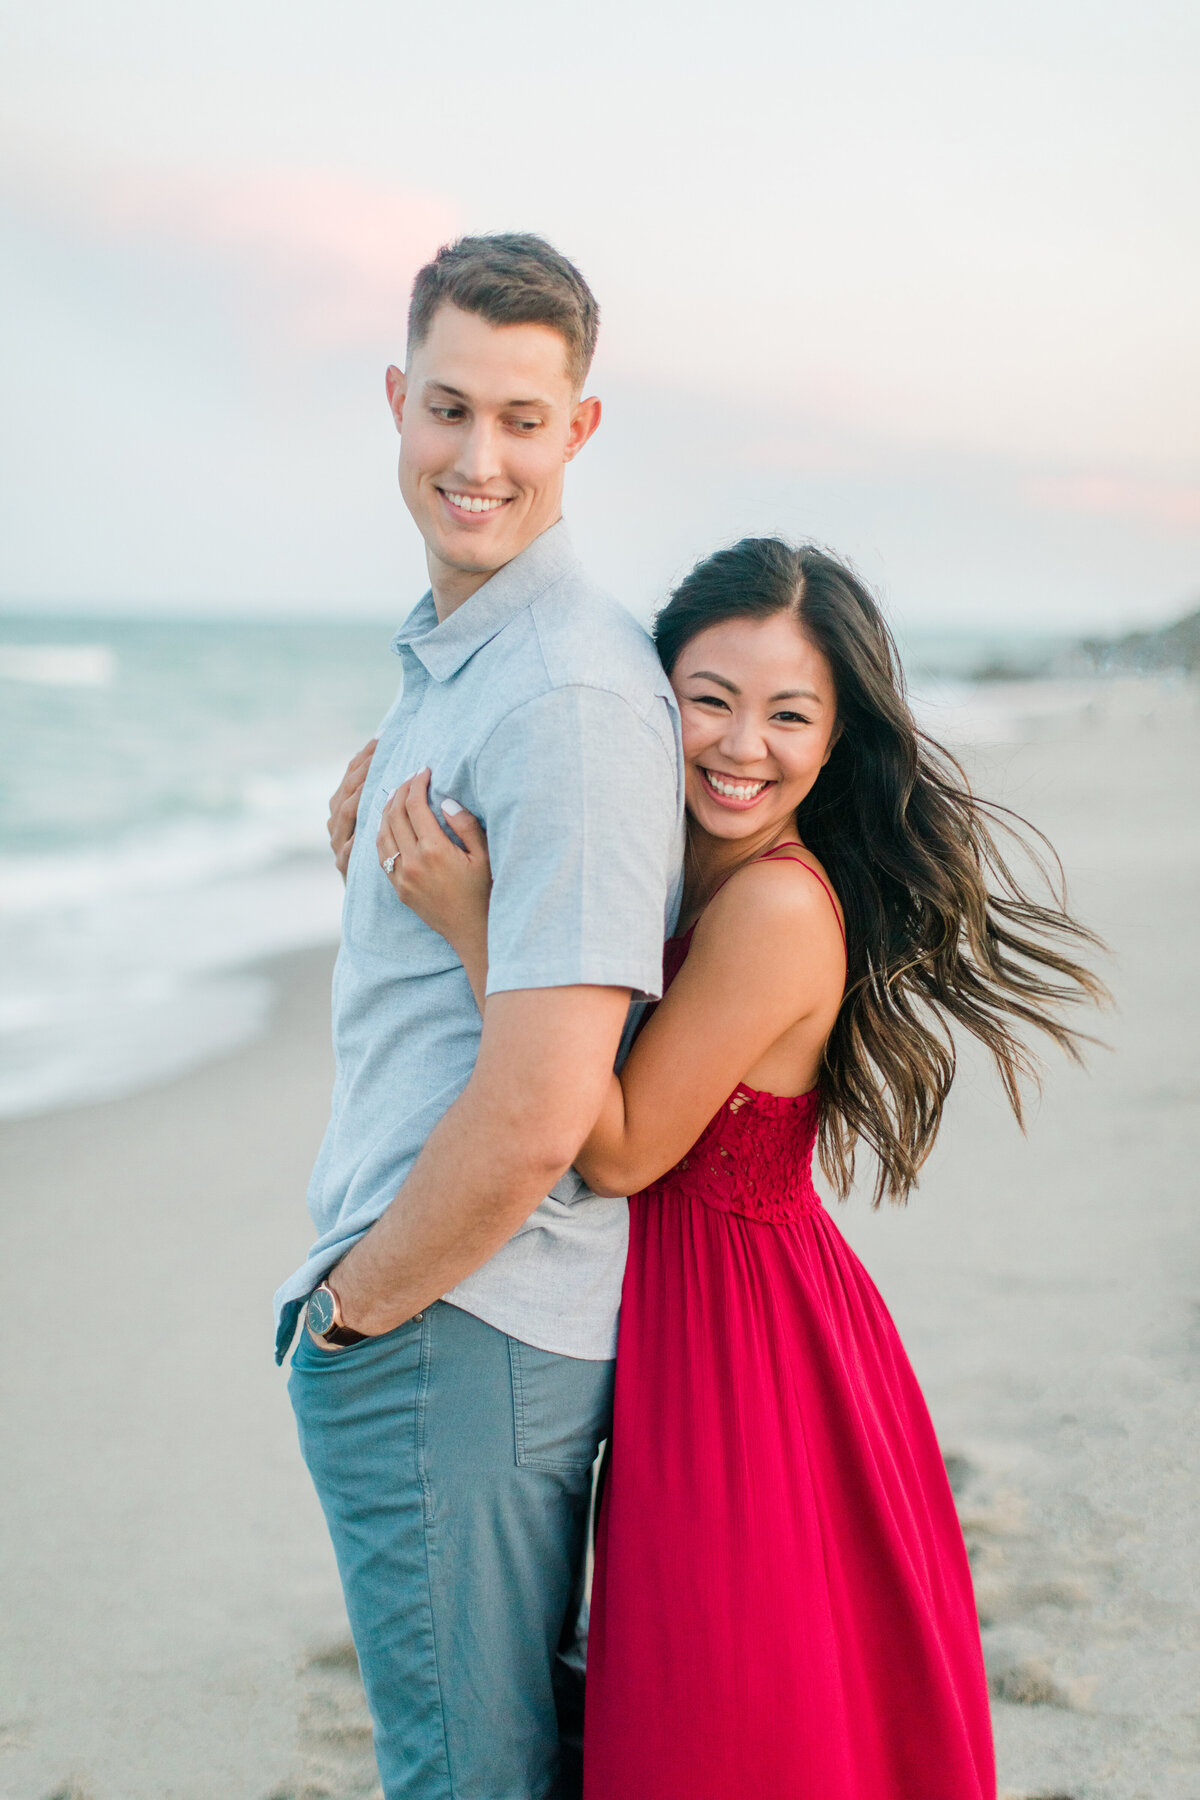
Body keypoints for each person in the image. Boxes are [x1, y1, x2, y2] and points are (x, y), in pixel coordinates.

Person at [384, 536, 1105, 1799]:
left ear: (834, 744)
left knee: (726, 1707)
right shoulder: (665, 861)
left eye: (788, 715)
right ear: (656, 700)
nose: (740, 745)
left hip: (745, 1344)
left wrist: (471, 923)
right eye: (709, 700)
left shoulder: (776, 907)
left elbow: (612, 1149)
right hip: (701, 1314)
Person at [275, 233, 684, 1800]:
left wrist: (358, 1315)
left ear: (579, 430)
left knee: (463, 1775)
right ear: (397, 401)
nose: (478, 457)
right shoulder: (471, 665)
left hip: (459, 1321)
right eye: (449, 409)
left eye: (523, 419)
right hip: (462, 1318)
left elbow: (540, 1105)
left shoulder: (567, 695)